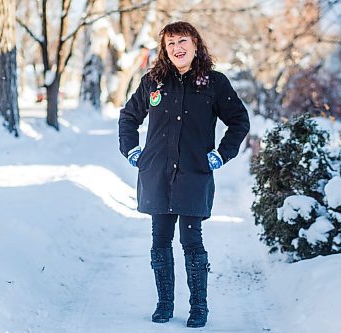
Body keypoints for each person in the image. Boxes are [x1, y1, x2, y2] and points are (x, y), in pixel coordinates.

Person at [118, 21, 250, 328]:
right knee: (160, 240)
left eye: (182, 41)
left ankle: (198, 307)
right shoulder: (153, 81)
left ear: (194, 43)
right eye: (170, 44)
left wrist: (222, 153)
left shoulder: (214, 83)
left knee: (192, 242)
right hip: (157, 175)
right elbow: (128, 117)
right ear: (164, 50)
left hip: (194, 174)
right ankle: (164, 304)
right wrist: (132, 150)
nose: (177, 48)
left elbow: (239, 121)